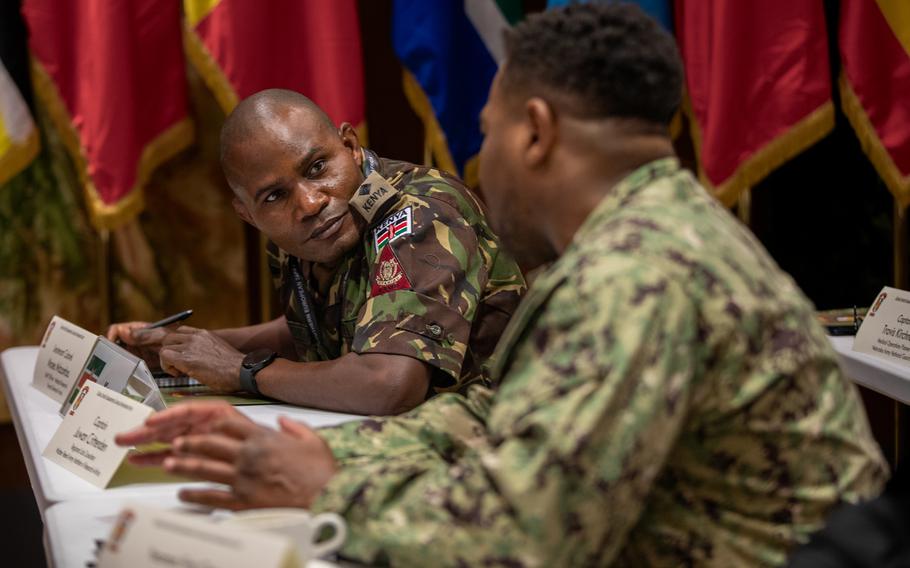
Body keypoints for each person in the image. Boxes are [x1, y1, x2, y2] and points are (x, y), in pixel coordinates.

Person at [116, 4, 888, 566]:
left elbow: (526, 535)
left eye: (484, 130)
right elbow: (498, 421)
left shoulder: (637, 277)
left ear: (537, 132)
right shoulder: (649, 232)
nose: (478, 160)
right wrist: (311, 456)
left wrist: (328, 492)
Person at [108, 89, 526, 415]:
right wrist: (188, 349)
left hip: (498, 456)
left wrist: (242, 371)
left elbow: (389, 383)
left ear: (350, 145)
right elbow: (321, 328)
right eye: (274, 196)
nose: (309, 203)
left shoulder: (418, 216)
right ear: (247, 214)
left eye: (317, 168)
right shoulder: (308, 234)